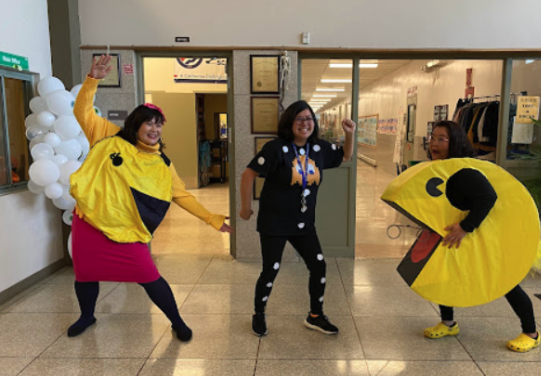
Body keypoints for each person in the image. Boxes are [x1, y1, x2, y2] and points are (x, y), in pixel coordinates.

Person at [68, 55, 233, 341]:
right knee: (85, 272)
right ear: (136, 124)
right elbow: (82, 113)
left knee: (148, 275)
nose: (155, 129)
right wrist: (92, 80)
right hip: (89, 222)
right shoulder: (107, 135)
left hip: (129, 229)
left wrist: (212, 218)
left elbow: (180, 194)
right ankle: (86, 315)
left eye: (159, 125)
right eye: (150, 123)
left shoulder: (162, 163)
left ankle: (176, 321)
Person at [423, 120, 540, 353]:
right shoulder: (444, 168)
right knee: (444, 272)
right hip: (460, 233)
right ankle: (448, 322)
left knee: (505, 280)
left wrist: (466, 226)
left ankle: (531, 333)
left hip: (483, 234)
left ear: (454, 142)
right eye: (433, 137)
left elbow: (488, 197)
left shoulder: (464, 170)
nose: (434, 143)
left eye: (441, 139)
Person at [240, 101, 355, 337]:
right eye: (299, 119)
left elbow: (345, 156)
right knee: (271, 269)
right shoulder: (276, 148)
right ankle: (258, 314)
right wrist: (244, 208)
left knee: (319, 266)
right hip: (275, 222)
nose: (305, 123)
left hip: (304, 223)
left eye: (309, 118)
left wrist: (349, 134)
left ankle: (315, 315)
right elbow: (248, 174)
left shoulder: (319, 148)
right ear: (290, 123)